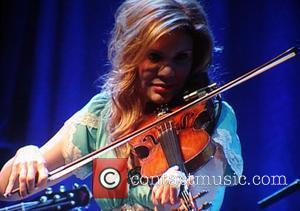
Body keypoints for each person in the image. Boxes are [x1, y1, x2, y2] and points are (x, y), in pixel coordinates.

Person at [0, 0, 243, 210]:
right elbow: (5, 191)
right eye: (155, 57)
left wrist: (175, 193)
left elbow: (207, 190)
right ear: (133, 54)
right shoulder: (104, 114)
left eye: (181, 58)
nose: (168, 72)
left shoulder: (210, 114)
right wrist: (28, 154)